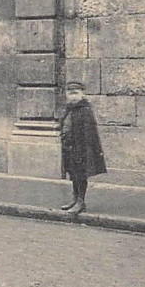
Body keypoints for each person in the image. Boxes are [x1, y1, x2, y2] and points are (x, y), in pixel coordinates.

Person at [59, 80, 106, 213]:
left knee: (80, 175)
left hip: (81, 150)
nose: (73, 96)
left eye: (76, 93)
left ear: (82, 94)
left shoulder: (85, 110)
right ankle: (75, 199)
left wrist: (83, 151)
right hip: (69, 148)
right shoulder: (69, 109)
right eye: (70, 93)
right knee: (73, 174)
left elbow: (89, 134)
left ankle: (81, 202)